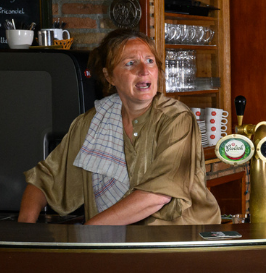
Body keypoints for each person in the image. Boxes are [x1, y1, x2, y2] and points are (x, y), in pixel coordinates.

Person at [18, 28, 220, 226]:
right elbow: (44, 180)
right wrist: (25, 232)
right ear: (109, 77)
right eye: (130, 63)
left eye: (150, 61)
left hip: (178, 241)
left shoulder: (176, 119)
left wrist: (90, 233)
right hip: (114, 241)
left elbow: (157, 195)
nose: (144, 70)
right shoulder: (92, 123)